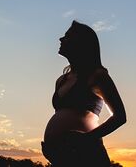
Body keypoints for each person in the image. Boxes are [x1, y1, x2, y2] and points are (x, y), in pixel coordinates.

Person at [42, 20, 127, 166]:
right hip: (63, 157)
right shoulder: (61, 80)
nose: (61, 39)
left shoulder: (97, 76)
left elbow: (120, 117)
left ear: (80, 43)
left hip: (88, 155)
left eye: (67, 36)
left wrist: (86, 139)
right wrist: (53, 148)